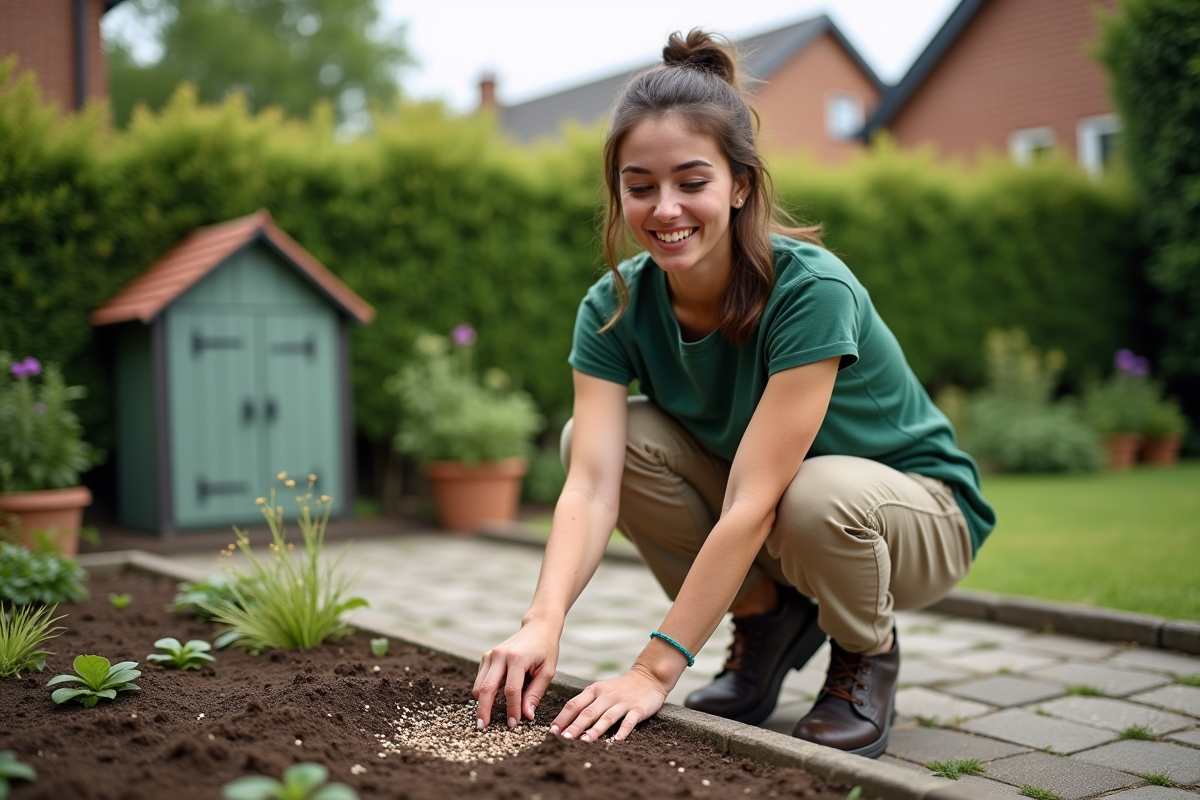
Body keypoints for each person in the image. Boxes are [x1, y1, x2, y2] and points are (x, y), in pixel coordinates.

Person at [472, 29, 995, 758]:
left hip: (917, 517)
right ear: (617, 189)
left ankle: (865, 654)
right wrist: (542, 620)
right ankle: (767, 619)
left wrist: (654, 670)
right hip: (788, 521)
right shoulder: (613, 308)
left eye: (692, 181)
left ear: (740, 184)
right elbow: (590, 487)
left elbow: (755, 499)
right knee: (599, 440)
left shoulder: (810, 290)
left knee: (815, 494)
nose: (665, 209)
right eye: (640, 185)